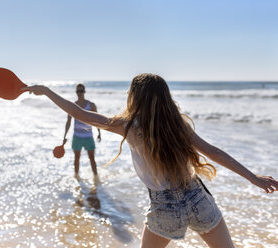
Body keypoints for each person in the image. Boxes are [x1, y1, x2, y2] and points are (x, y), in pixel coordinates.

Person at [23, 74, 278, 248]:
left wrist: (46, 91)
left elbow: (80, 113)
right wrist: (253, 178)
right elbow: (214, 152)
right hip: (199, 199)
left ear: (135, 97)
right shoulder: (178, 125)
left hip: (164, 207)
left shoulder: (128, 126)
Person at [63, 84, 101, 175]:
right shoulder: (72, 106)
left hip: (88, 136)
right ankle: (77, 178)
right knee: (76, 158)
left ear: (84, 92)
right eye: (77, 91)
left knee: (92, 158)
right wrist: (64, 136)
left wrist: (99, 133)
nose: (79, 93)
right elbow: (68, 122)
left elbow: (98, 120)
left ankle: (96, 179)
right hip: (77, 137)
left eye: (81, 91)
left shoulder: (91, 105)